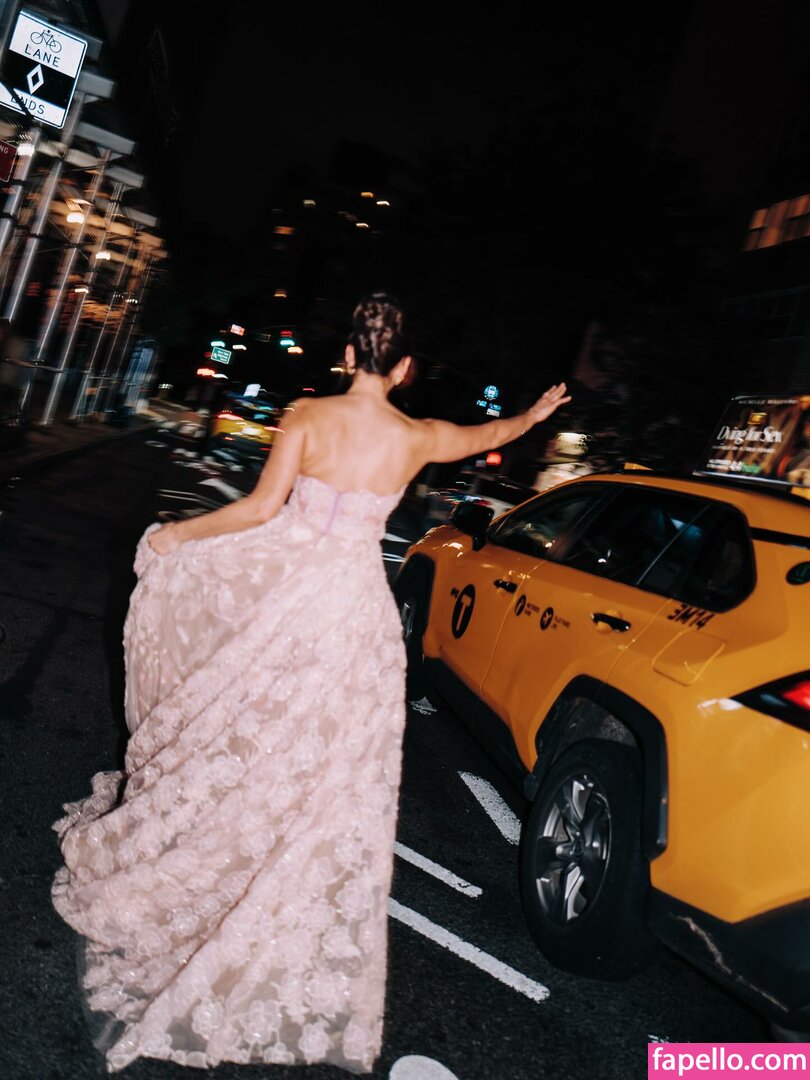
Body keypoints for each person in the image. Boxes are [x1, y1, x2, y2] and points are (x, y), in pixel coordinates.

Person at [50, 291, 571, 1074]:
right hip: (358, 619)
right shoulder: (418, 435)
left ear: (349, 355)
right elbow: (488, 435)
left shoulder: (307, 415)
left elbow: (261, 509)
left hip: (292, 601)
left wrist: (175, 534)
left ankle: (218, 859)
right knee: (329, 770)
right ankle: (279, 883)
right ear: (403, 367)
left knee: (246, 734)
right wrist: (534, 415)